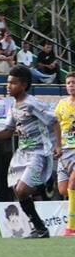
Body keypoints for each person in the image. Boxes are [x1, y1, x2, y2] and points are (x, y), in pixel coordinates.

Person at [0, 64, 61, 238]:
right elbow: (8, 132)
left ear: (23, 85)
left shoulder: (32, 103)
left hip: (39, 154)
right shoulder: (13, 107)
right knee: (18, 191)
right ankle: (40, 228)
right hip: (22, 154)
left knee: (23, 190)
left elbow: (54, 121)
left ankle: (48, 180)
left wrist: (58, 145)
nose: (8, 86)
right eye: (7, 83)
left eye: (12, 83)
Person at [53, 73, 75, 236]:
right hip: (64, 151)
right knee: (63, 190)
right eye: (68, 83)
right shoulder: (61, 104)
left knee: (72, 185)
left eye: (73, 83)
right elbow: (54, 125)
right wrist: (56, 145)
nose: (71, 86)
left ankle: (71, 228)